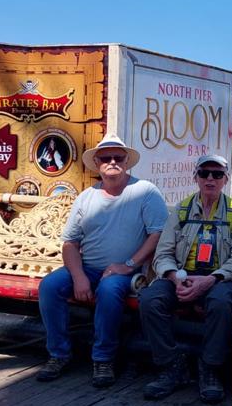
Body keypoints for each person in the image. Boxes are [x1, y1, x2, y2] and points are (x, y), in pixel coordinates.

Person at [37, 133, 168, 387]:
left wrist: (128, 265)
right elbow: (70, 243)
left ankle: (103, 358)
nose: (112, 162)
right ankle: (58, 353)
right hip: (88, 267)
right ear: (97, 163)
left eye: (118, 157)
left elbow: (158, 234)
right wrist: (78, 276)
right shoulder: (86, 197)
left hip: (128, 272)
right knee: (49, 286)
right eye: (106, 158)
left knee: (109, 290)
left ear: (127, 161)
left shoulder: (145, 191)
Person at [139, 153, 232, 403]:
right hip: (181, 276)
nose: (210, 179)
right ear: (196, 177)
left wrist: (211, 280)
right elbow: (163, 254)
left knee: (221, 303)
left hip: (219, 278)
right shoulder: (181, 210)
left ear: (225, 179)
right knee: (150, 299)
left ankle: (210, 367)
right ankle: (171, 365)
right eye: (204, 173)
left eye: (217, 174)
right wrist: (174, 277)